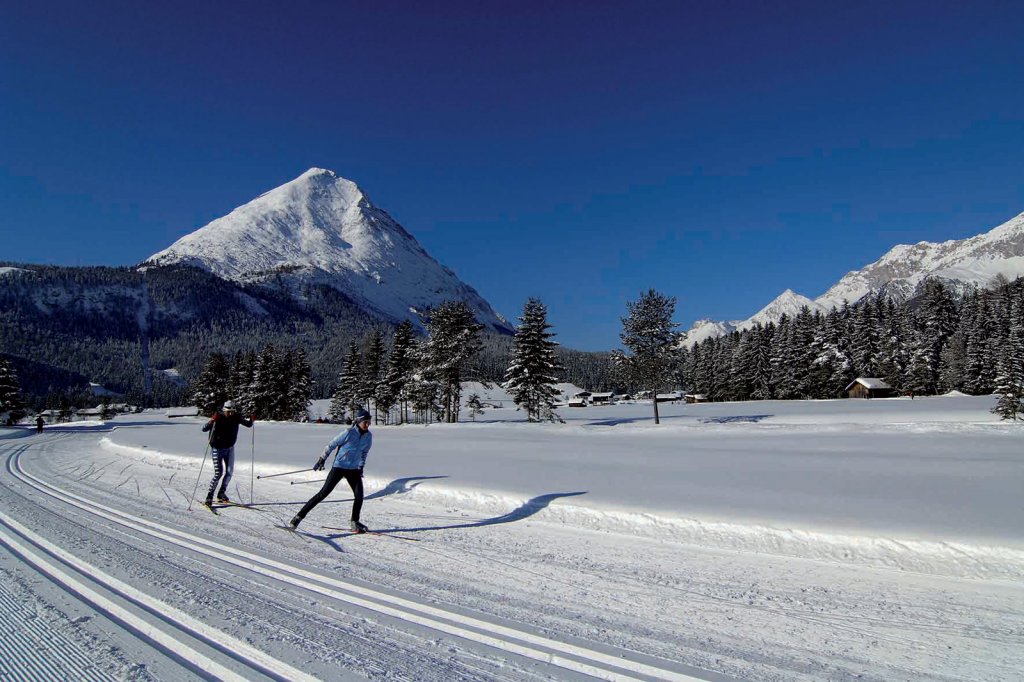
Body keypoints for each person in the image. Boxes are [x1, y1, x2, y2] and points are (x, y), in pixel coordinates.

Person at [290, 408, 373, 533]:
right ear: (358, 421)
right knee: (322, 494)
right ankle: (298, 517)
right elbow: (331, 445)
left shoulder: (368, 436)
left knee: (359, 496)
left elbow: (364, 452)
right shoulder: (349, 433)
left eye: (369, 422)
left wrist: (361, 466)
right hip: (339, 467)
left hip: (353, 469)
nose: (367, 425)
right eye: (365, 422)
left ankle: (354, 522)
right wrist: (322, 459)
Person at [201, 400, 254, 505]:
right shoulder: (218, 418)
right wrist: (212, 420)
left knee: (229, 472)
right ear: (224, 410)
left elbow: (248, 425)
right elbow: (204, 429)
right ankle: (209, 496)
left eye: (232, 411)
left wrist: (251, 420)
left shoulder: (236, 417)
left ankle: (221, 493)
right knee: (218, 473)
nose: (230, 413)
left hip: (229, 449)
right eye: (228, 411)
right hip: (217, 449)